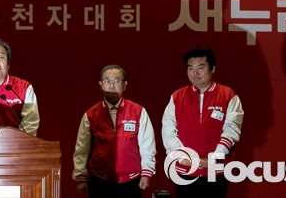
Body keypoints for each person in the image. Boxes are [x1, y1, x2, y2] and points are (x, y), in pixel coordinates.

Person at [162, 47, 243, 198]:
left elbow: (232, 128)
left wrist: (215, 157)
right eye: (190, 68)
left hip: (216, 170)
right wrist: (184, 158)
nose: (195, 73)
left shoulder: (228, 95)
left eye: (201, 67)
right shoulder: (177, 97)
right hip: (185, 170)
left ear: (213, 68)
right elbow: (168, 131)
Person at [72, 65, 156, 197]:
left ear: (125, 84)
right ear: (100, 84)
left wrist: (147, 172)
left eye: (117, 81)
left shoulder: (138, 111)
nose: (112, 85)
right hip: (99, 179)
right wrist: (81, 176)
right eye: (107, 81)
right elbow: (82, 149)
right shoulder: (91, 114)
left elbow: (147, 145)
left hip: (131, 180)